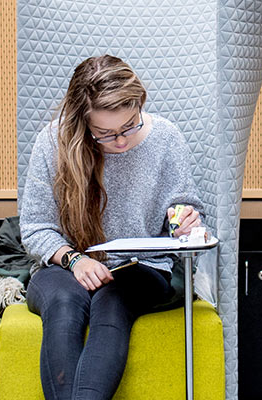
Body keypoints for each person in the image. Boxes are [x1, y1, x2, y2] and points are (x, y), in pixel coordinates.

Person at [19, 54, 203, 400]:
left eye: (129, 126)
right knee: (63, 304)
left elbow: (187, 212)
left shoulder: (166, 138)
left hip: (142, 269)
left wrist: (187, 223)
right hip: (66, 264)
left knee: (112, 302)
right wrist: (76, 261)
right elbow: (35, 228)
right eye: (105, 133)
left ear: (139, 104)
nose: (120, 142)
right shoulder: (53, 142)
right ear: (82, 124)